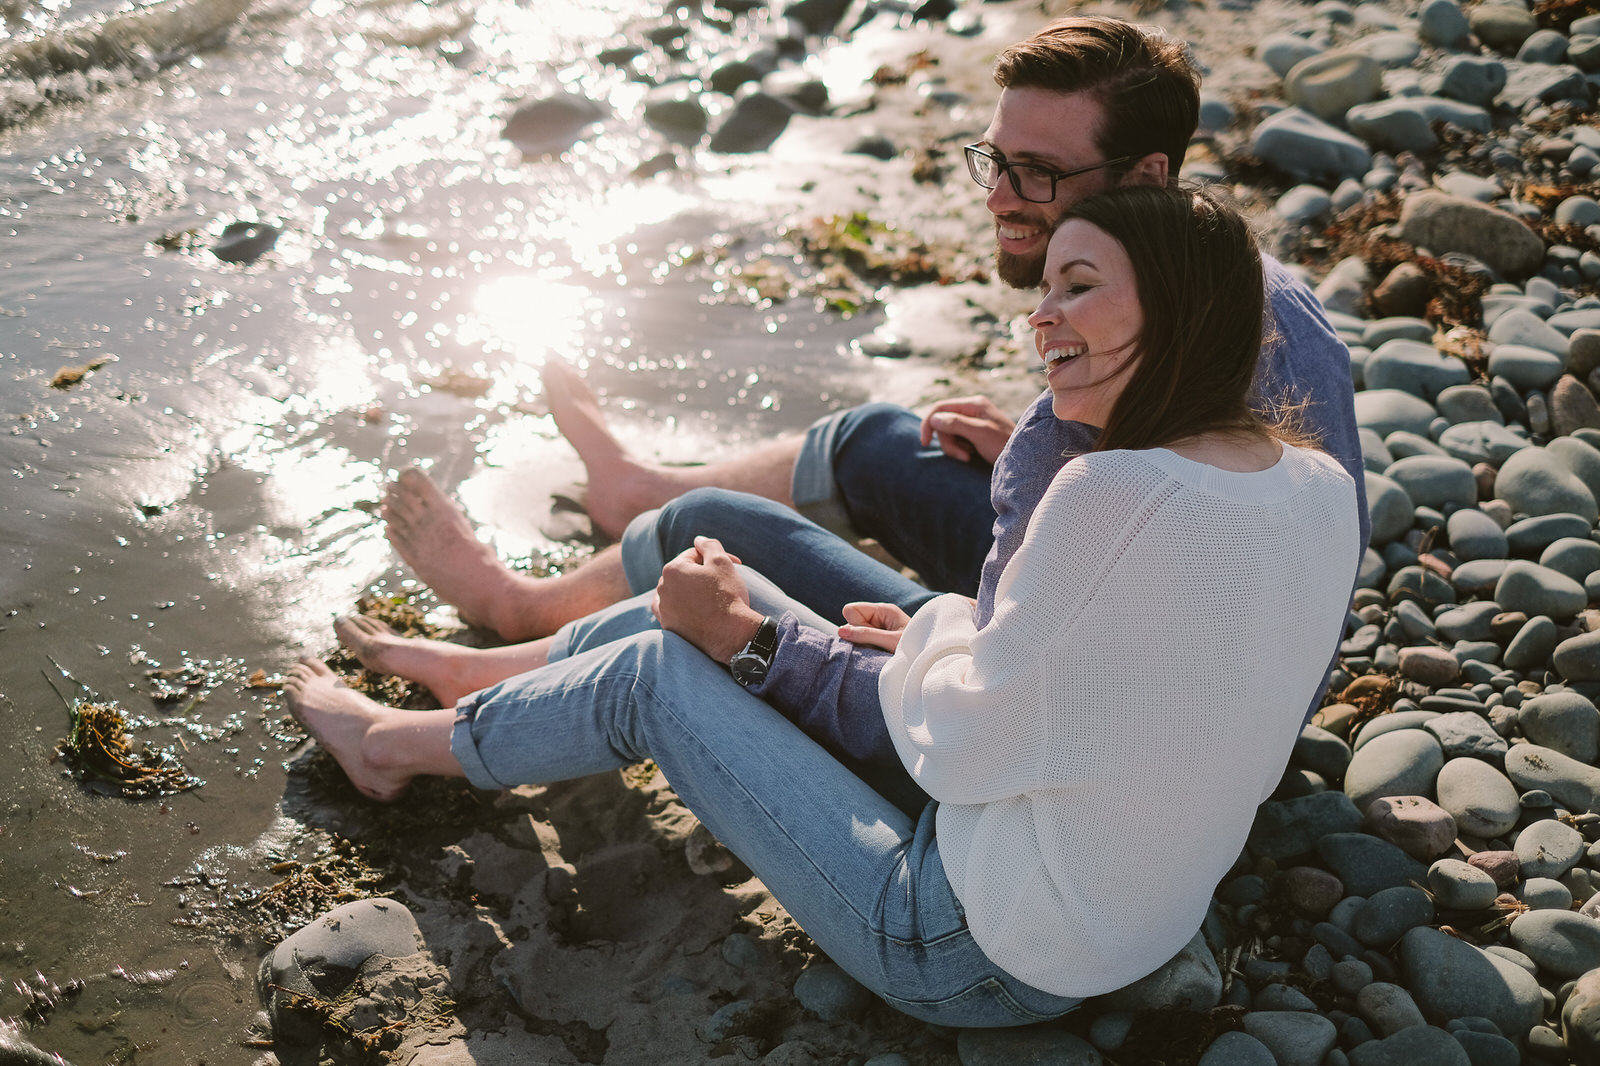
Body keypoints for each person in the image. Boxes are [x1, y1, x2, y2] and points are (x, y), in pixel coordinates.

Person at [286, 184, 1361, 1021]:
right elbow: (1116, 684)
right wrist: (940, 639)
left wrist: (863, 646)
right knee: (735, 588)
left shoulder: (1108, 491)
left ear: (1178, 309)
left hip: (977, 948)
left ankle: (393, 748)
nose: (1042, 317)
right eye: (1045, 288)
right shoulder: (1310, 483)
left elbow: (962, 752)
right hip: (1123, 906)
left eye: (1078, 284)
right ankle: (486, 677)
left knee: (669, 667)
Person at [378, 15, 1369, 649]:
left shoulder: (1257, 335)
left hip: (1138, 702)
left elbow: (1184, 609)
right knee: (883, 437)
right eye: (995, 159)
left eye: (1039, 172)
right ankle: (632, 489)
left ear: (1147, 177)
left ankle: (516, 608)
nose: (1002, 198)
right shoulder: (1172, 283)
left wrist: (933, 644)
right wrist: (1043, 442)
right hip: (1096, 625)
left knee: (713, 546)